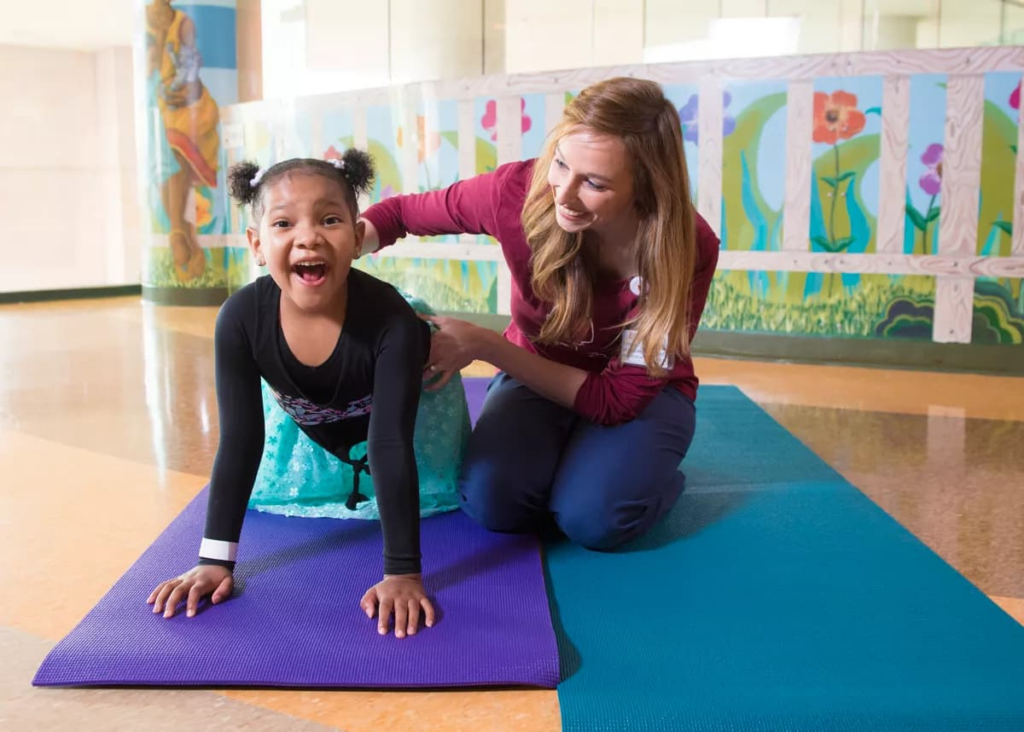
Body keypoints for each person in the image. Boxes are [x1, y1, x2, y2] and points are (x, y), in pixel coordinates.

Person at [360, 77, 720, 550]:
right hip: (536, 376)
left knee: (595, 520)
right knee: (493, 504)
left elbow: (617, 401)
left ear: (647, 187)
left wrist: (487, 345)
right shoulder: (516, 192)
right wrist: (338, 243)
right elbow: (399, 215)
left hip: (641, 397)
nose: (563, 194)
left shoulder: (684, 246)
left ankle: (648, 477)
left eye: (594, 183)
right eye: (561, 163)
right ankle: (577, 462)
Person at [148, 150, 457, 639]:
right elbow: (241, 440)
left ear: (357, 238)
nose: (308, 236)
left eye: (330, 219)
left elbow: (391, 441)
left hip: (402, 416)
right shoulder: (240, 320)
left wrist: (402, 573)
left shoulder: (391, 321)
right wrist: (214, 560)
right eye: (284, 223)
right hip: (312, 424)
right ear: (256, 243)